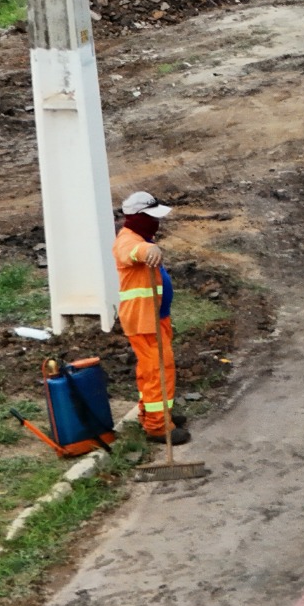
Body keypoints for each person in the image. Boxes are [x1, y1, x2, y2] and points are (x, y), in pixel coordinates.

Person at [114, 190, 188, 447]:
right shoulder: (129, 239)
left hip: (156, 318)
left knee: (157, 369)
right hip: (143, 321)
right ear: (137, 217)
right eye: (151, 217)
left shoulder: (141, 235)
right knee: (157, 370)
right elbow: (130, 252)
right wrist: (147, 250)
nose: (156, 223)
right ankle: (157, 427)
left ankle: (158, 414)